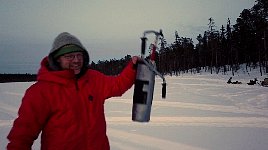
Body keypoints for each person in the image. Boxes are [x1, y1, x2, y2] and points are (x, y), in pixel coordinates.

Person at [7, 32, 139, 150]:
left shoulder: (93, 78)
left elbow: (117, 85)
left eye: (79, 55)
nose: (76, 60)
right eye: (70, 56)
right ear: (57, 59)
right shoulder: (40, 91)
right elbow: (21, 136)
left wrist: (132, 67)